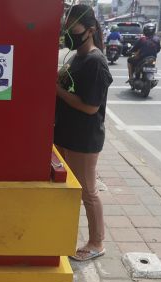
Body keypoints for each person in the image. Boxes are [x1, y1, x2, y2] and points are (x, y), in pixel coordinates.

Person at [55, 5, 113, 261]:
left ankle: (97, 243)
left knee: (88, 191)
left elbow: (90, 107)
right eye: (66, 30)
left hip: (84, 138)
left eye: (73, 30)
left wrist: (54, 89)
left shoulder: (95, 62)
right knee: (73, 189)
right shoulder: (76, 57)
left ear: (89, 30)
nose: (69, 35)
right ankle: (70, 235)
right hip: (68, 133)